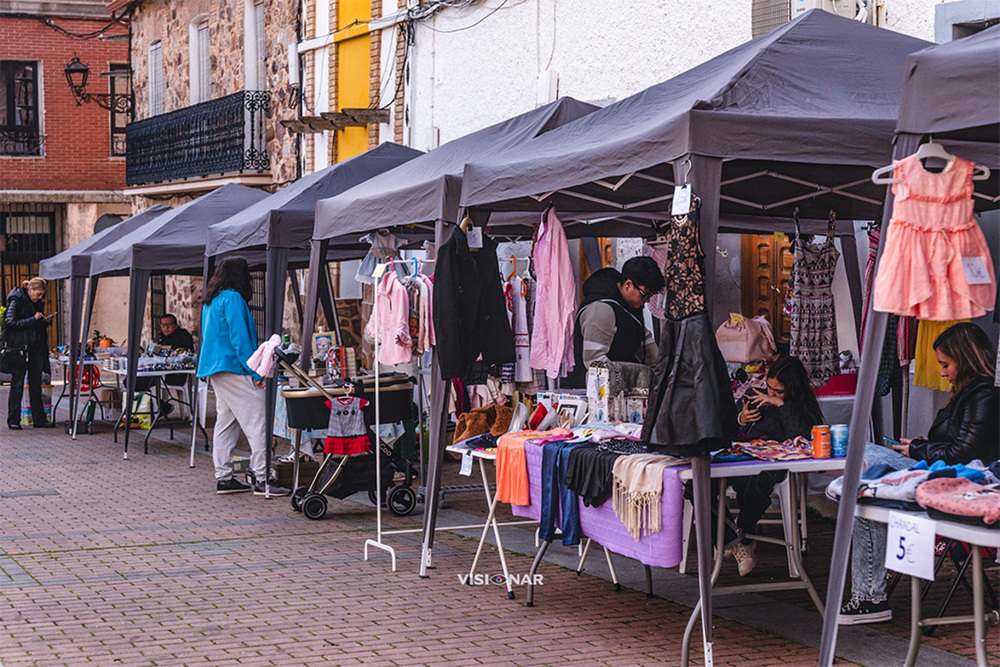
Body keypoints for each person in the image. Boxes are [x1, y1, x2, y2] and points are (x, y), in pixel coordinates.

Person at [839, 322, 999, 625]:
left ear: (964, 359)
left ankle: (870, 595)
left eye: (945, 364)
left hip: (958, 480)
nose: (942, 372)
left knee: (865, 466)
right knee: (864, 466)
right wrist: (920, 448)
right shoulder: (972, 392)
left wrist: (918, 451)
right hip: (946, 473)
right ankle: (870, 591)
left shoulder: (983, 395)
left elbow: (963, 454)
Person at [197, 257, 290, 496]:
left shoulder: (212, 300)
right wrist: (255, 370)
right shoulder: (233, 299)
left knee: (226, 422)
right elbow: (240, 340)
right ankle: (263, 478)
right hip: (233, 366)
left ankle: (224, 476)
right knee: (258, 418)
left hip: (216, 367)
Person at [724, 356, 824, 575]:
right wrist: (742, 418)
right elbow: (725, 423)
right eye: (769, 387)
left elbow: (804, 438)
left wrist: (781, 405)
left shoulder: (801, 408)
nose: (770, 394)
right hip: (743, 453)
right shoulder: (754, 395)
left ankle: (744, 533)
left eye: (778, 391)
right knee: (700, 483)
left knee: (757, 481)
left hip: (776, 460)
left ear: (792, 389)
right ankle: (731, 538)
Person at [564, 256, 665, 388]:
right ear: (628, 285)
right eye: (644, 294)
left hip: (619, 392)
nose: (647, 301)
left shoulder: (632, 308)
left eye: (650, 296)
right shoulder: (601, 310)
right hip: (589, 392)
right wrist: (635, 378)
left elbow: (650, 352)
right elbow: (595, 363)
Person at [3, 277, 55, 429]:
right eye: (38, 294)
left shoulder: (39, 302)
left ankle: (39, 419)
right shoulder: (17, 300)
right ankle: (13, 419)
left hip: (35, 346)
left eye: (42, 295)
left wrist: (44, 321)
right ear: (30, 289)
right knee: (18, 383)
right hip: (20, 348)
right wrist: (33, 319)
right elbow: (10, 322)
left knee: (35, 384)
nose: (40, 297)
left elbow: (34, 324)